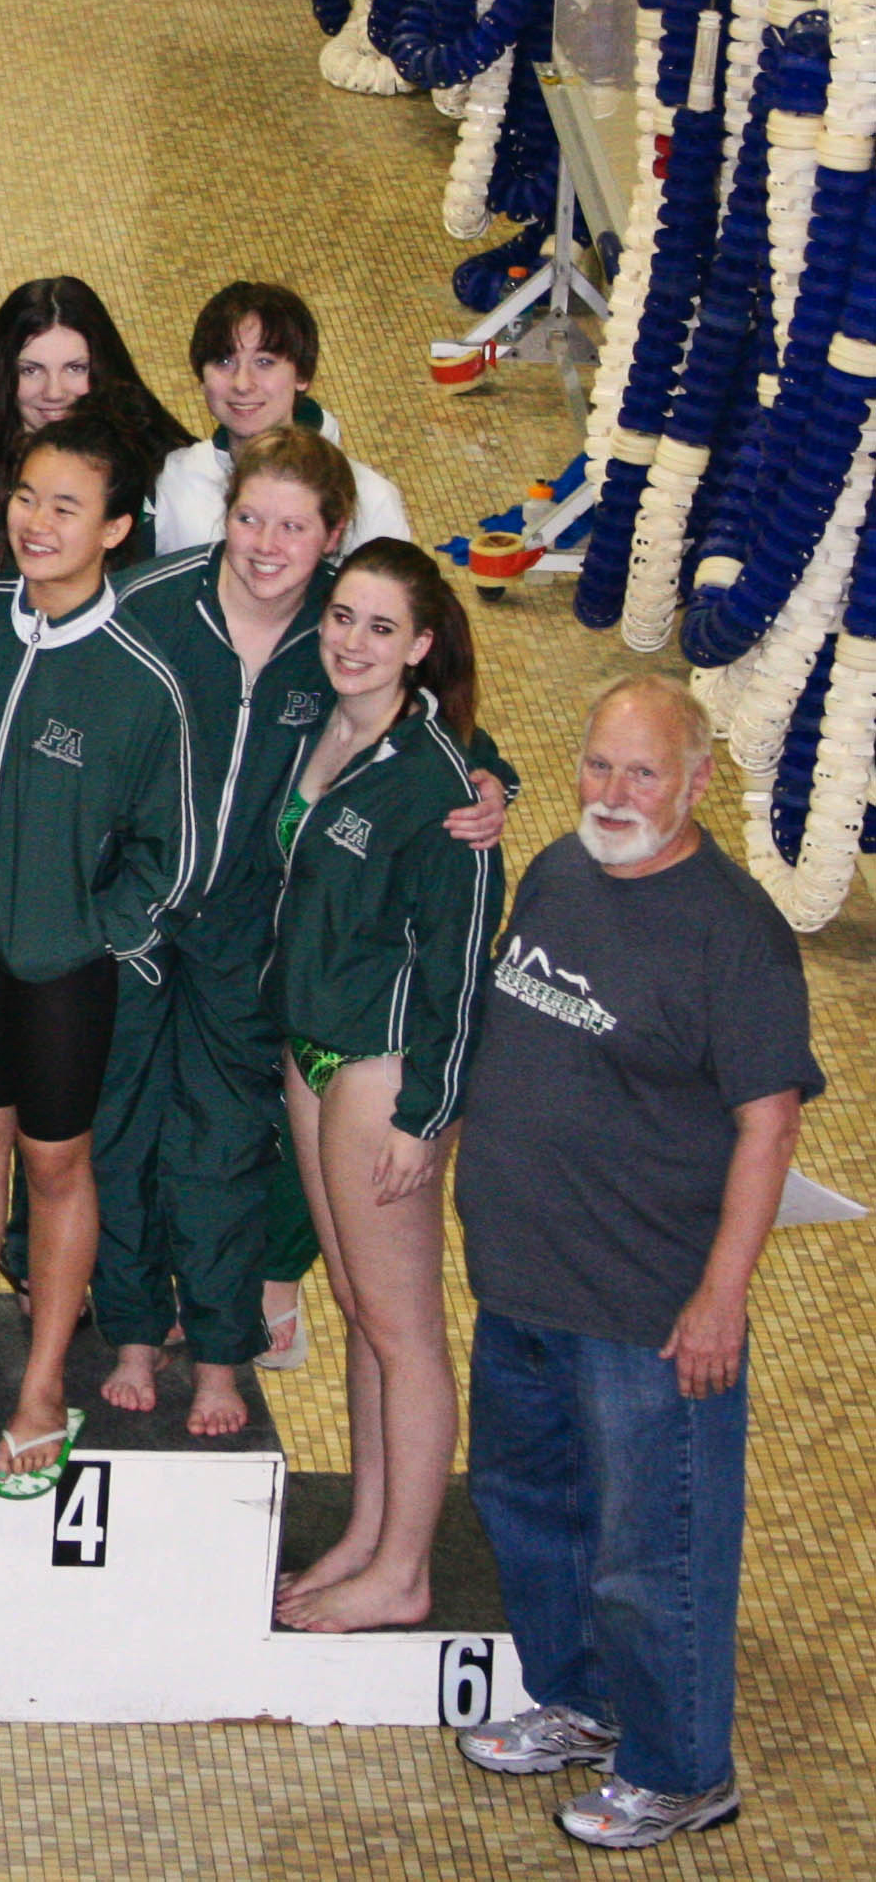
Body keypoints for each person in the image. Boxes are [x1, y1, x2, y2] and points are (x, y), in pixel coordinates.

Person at [452, 674, 816, 1849]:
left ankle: (679, 1768)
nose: (612, 792)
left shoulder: (734, 935)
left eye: (642, 771)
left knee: (652, 1550)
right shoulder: (559, 870)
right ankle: (582, 1703)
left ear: (696, 780)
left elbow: (768, 1126)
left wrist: (719, 1297)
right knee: (532, 1509)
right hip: (523, 1282)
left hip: (645, 1309)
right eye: (599, 764)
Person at [90, 433, 506, 1439]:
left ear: (331, 535)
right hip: (132, 924)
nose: (264, 544)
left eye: (291, 526)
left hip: (249, 944)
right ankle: (131, 1335)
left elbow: (433, 735)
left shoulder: (338, 631)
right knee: (118, 1134)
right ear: (221, 514)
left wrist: (492, 779)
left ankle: (221, 1352)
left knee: (225, 1151)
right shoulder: (148, 607)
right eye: (248, 518)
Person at [0, 411, 191, 1498]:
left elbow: (168, 849)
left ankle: (44, 1382)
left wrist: (90, 930)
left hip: (63, 967)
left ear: (115, 529)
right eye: (26, 497)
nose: (37, 522)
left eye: (67, 506)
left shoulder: (138, 681)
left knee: (57, 1163)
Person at [268, 538, 503, 1632]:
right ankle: (367, 1533)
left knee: (403, 1327)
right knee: (360, 1308)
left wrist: (425, 1116)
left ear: (419, 645)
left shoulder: (441, 789)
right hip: (312, 1049)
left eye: (379, 627)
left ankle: (404, 1570)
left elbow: (461, 968)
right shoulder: (318, 725)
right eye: (341, 617)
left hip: (383, 1067)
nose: (351, 642)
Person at [152, 282, 409, 555]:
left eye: (264, 362)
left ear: (302, 375)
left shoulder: (371, 499)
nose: (242, 383)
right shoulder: (175, 480)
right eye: (224, 362)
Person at [0, 277, 193, 574]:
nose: (54, 392)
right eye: (31, 370)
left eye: (75, 368)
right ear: (3, 374)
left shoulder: (163, 465)